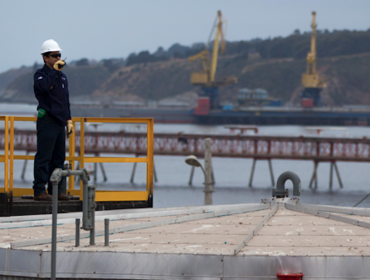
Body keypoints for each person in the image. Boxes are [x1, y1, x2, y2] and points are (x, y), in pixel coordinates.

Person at [32, 39, 73, 201]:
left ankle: (56, 190)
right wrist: (54, 72)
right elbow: (43, 88)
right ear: (45, 58)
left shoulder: (62, 77)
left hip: (59, 123)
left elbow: (65, 100)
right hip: (47, 121)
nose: (58, 58)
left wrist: (68, 120)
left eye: (59, 55)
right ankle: (39, 190)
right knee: (44, 156)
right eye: (54, 55)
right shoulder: (41, 75)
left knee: (58, 158)